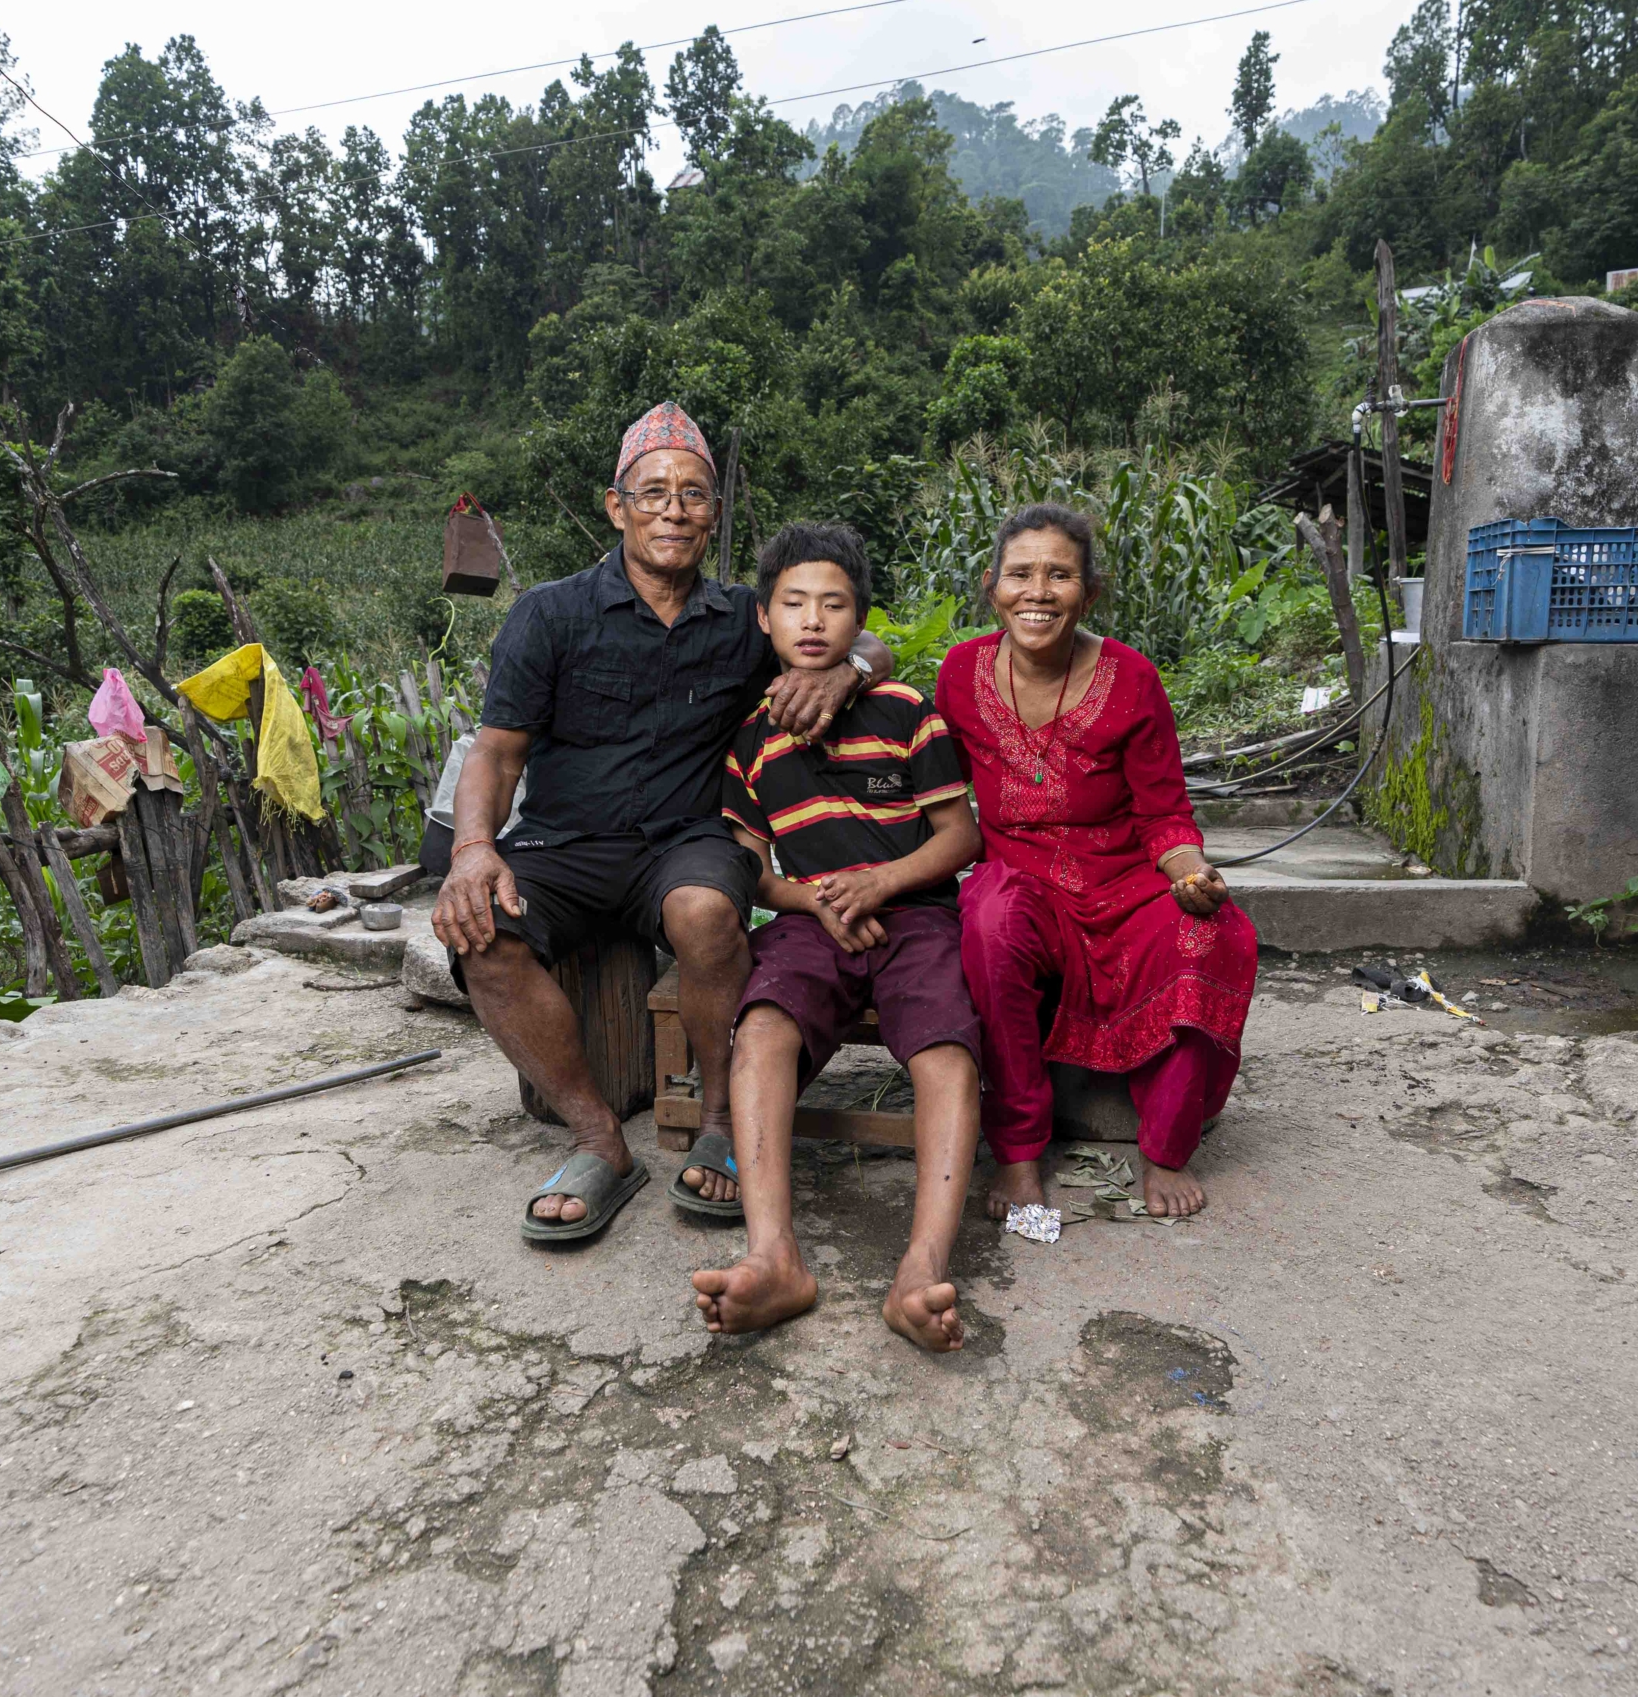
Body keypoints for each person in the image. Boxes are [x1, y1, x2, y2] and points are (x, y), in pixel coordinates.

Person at [431, 403, 897, 1244]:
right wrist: (472, 850)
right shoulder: (550, 613)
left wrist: (846, 675)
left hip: (687, 842)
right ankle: (598, 1139)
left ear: (714, 515)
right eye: (653, 493)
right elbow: (495, 754)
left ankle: (719, 1120)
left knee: (709, 911)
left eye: (693, 495)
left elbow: (866, 645)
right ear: (617, 507)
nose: (673, 510)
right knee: (479, 931)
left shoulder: (743, 619)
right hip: (562, 844)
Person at [688, 523, 984, 1351]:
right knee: (764, 1028)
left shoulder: (905, 712)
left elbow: (960, 838)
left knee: (946, 1049)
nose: (813, 620)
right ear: (763, 619)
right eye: (794, 603)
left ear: (861, 623)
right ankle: (773, 1253)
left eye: (834, 604)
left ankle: (921, 1266)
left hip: (915, 912)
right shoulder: (751, 737)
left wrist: (881, 881)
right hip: (809, 920)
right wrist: (816, 901)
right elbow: (749, 866)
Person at [934, 503, 1257, 1220]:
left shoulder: (1133, 678)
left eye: (1060, 575)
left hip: (1123, 882)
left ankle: (1164, 1147)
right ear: (992, 587)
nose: (1038, 591)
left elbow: (1165, 813)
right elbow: (931, 785)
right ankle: (1019, 1153)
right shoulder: (960, 674)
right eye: (1021, 574)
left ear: (1090, 591)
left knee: (1212, 931)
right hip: (1020, 882)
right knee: (987, 921)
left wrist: (1190, 874)